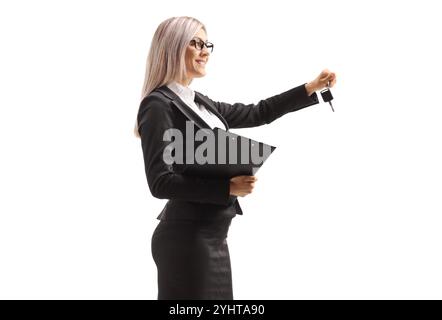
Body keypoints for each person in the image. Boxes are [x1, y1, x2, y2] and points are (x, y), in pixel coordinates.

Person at [134, 16, 336, 300]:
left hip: (213, 235)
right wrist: (227, 188)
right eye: (195, 43)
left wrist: (310, 88)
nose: (205, 51)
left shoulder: (199, 102)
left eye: (207, 44)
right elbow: (160, 182)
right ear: (173, 47)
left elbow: (258, 112)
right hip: (187, 238)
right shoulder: (158, 105)